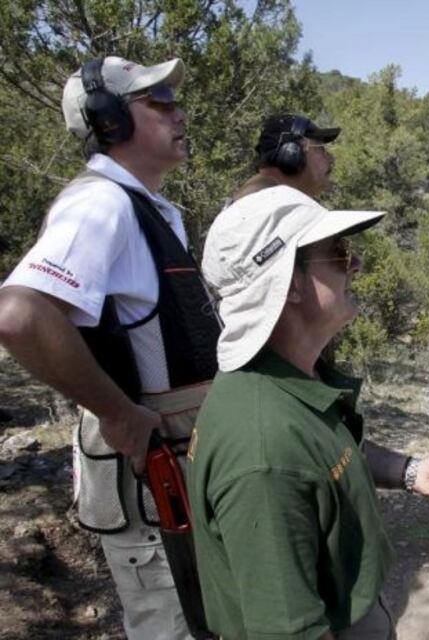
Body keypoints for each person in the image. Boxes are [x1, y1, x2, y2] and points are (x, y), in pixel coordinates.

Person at [190, 185, 429, 640]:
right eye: (338, 253)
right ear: (290, 283)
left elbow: (326, 456)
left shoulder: (292, 380)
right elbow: (287, 630)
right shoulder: (263, 453)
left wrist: (410, 471)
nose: (355, 264)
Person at [0, 56, 218, 639]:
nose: (180, 112)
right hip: (149, 475)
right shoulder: (101, 203)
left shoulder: (144, 206)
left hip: (174, 467)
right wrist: (117, 411)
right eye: (160, 101)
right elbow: (20, 315)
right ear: (111, 120)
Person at [231, 113, 339, 202]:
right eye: (321, 149)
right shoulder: (265, 202)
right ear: (292, 154)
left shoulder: (274, 201)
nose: (331, 159)